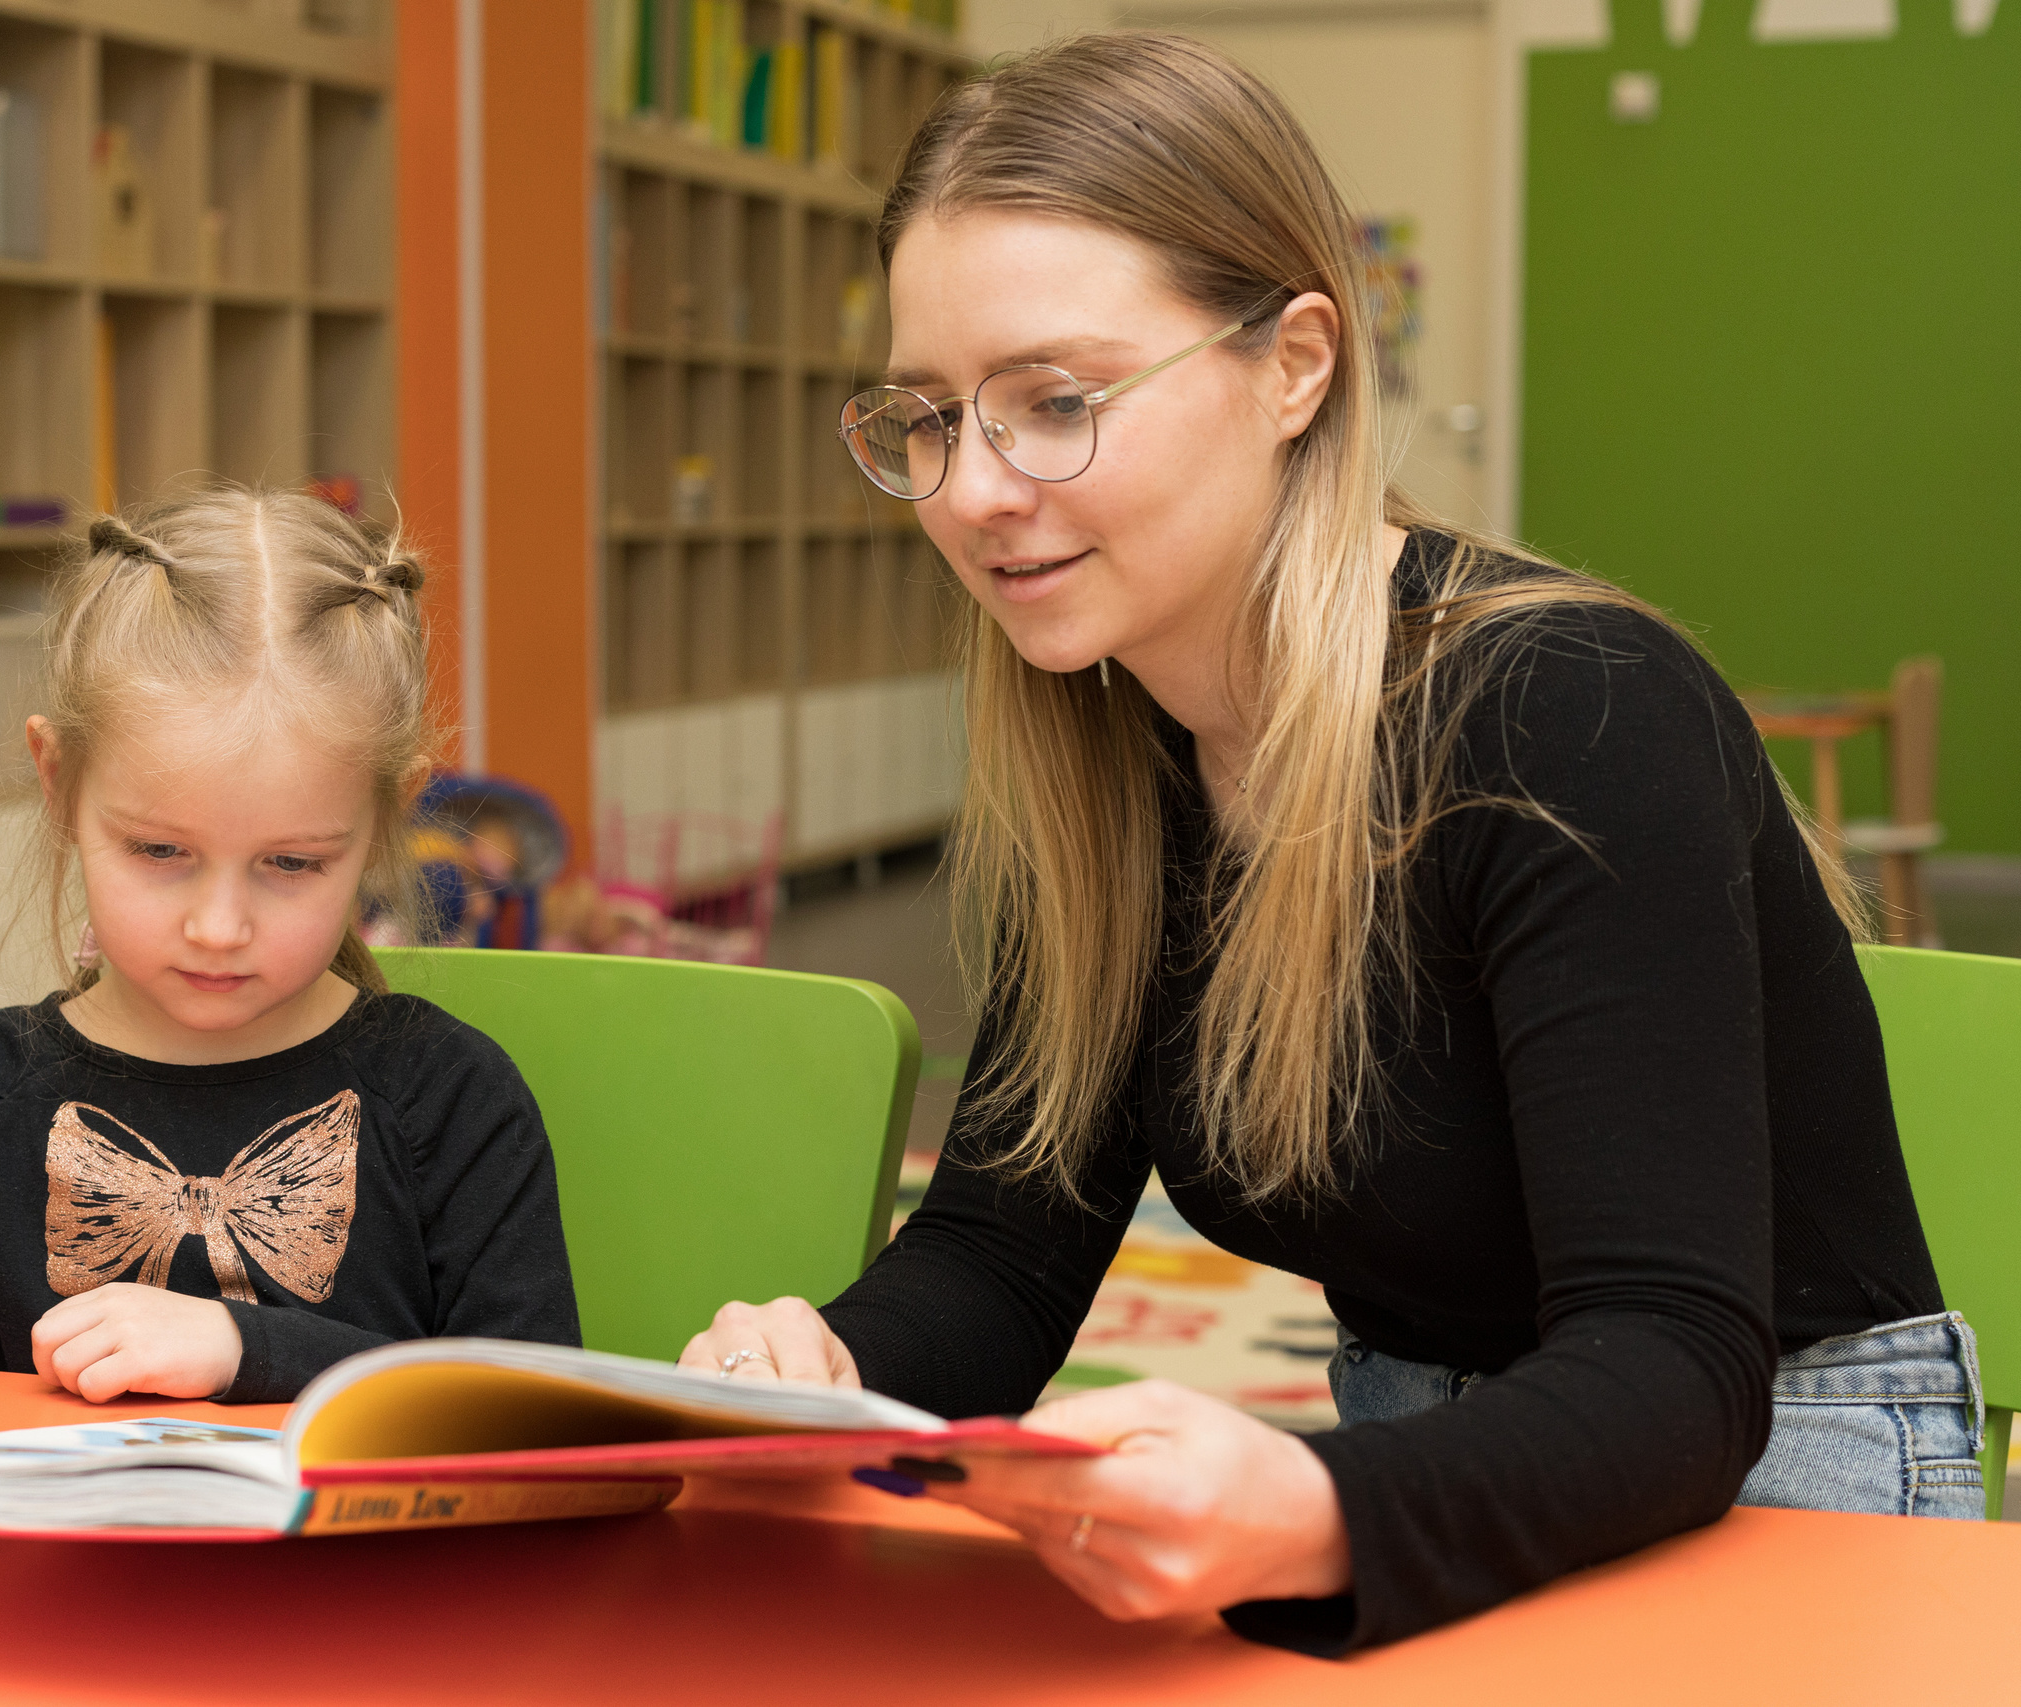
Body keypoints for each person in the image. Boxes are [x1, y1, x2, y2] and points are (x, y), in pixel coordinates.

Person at [678, 32, 1982, 1656]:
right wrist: (820, 1374)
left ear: (1296, 363)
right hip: (1434, 1458)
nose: (975, 491)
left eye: (1056, 402)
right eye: (929, 419)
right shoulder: (1103, 745)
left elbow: (1670, 1361)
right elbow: (1004, 1256)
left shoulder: (1564, 714)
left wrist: (1318, 1508)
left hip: (1780, 1473)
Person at [0, 490, 578, 1406]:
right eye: (161, 851)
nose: (218, 926)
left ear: (387, 817)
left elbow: (529, 1404)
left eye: (290, 862)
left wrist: (247, 1347)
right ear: (59, 781)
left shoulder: (452, 1096)